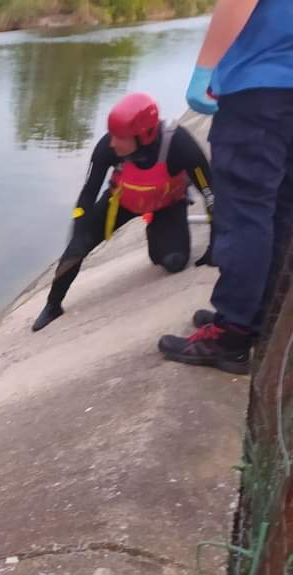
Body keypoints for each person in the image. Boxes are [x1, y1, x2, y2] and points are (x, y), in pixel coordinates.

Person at [158, 0, 293, 375]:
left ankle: (231, 334)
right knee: (280, 212)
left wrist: (204, 69)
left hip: (258, 87)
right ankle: (257, 316)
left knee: (246, 212)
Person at [32, 92, 215, 333]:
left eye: (120, 138)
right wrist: (79, 230)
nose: (112, 143)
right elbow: (87, 194)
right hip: (122, 202)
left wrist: (215, 247)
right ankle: (53, 305)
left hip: (167, 204)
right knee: (77, 247)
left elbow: (211, 194)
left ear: (144, 135)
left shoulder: (179, 144)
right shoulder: (107, 148)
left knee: (174, 262)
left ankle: (157, 231)